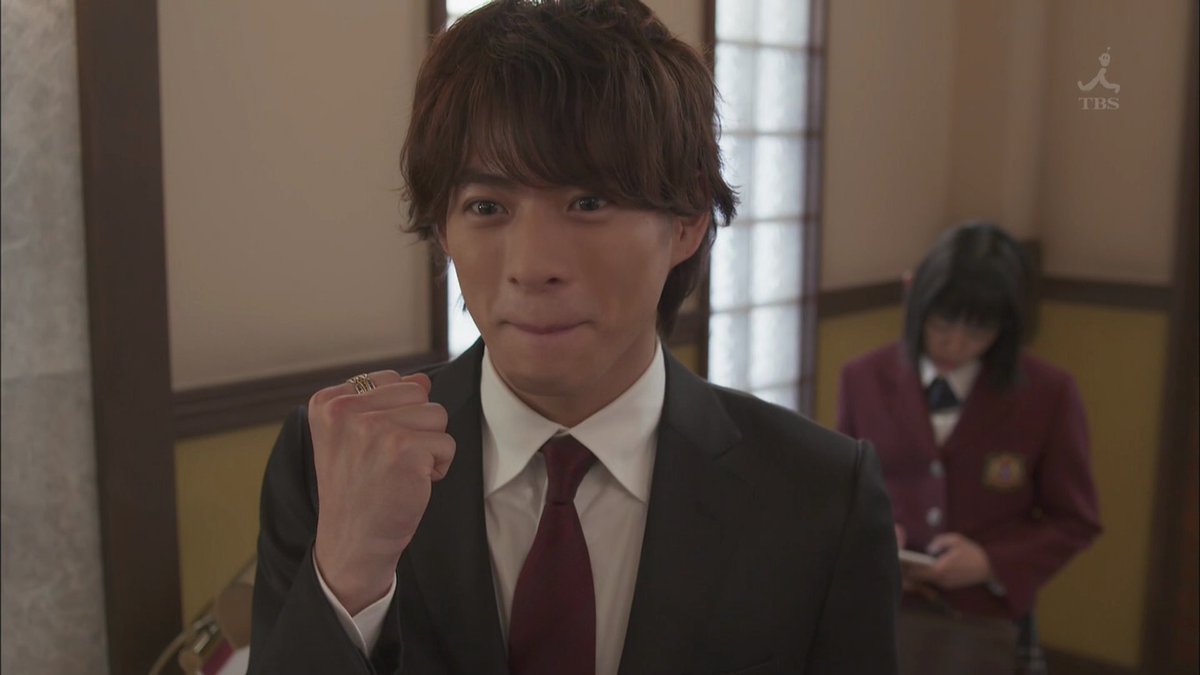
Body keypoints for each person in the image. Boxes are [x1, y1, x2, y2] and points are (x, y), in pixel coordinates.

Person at [249, 2, 899, 673]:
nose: (533, 266)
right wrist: (351, 574)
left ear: (687, 220)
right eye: (487, 206)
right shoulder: (331, 458)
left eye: (589, 202)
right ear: (443, 229)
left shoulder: (821, 496)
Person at [837, 222, 1102, 673]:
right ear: (913, 295)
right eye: (941, 324)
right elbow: (842, 494)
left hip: (983, 623)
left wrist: (991, 563)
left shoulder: (1048, 393)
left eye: (978, 332)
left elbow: (1075, 519)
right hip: (880, 608)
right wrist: (875, 535)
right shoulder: (862, 377)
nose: (955, 344)